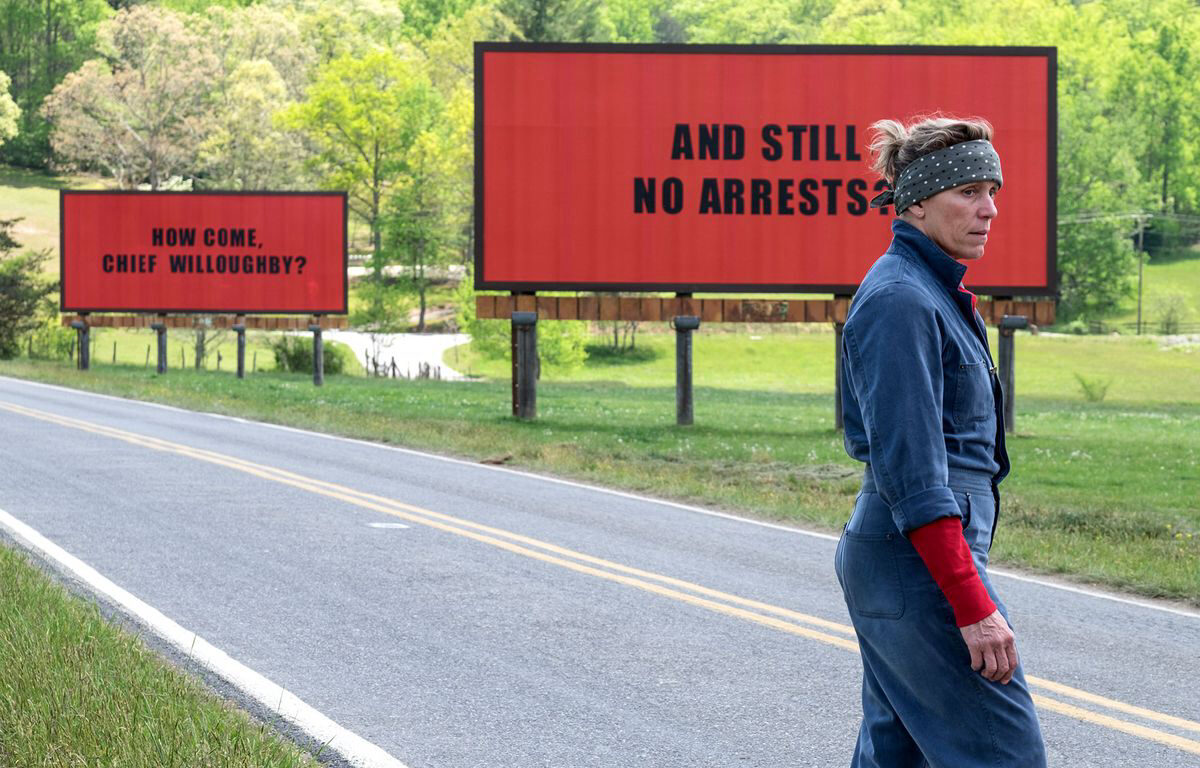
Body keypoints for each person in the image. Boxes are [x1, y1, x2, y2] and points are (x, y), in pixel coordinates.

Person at [834, 115, 1047, 767]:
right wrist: (972, 604)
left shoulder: (928, 290)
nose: (989, 210)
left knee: (896, 757)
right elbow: (914, 476)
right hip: (915, 561)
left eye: (993, 191)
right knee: (1005, 755)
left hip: (906, 560)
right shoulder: (900, 301)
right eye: (969, 192)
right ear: (918, 202)